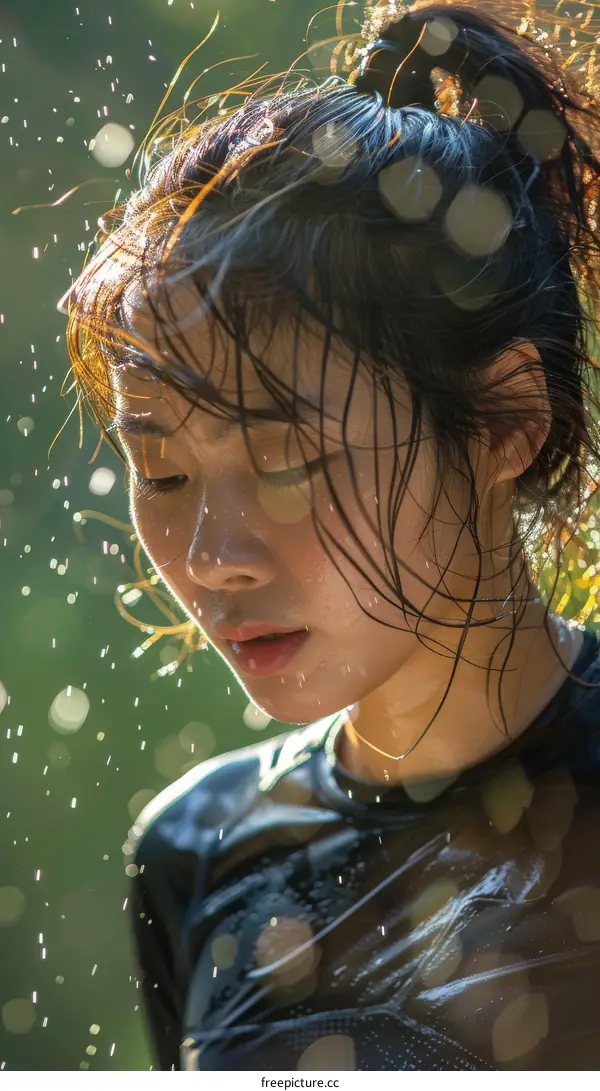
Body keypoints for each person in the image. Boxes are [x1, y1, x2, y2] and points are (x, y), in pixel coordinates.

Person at [64, 0, 600, 1071]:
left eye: (286, 462)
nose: (212, 555)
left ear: (505, 422)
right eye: (160, 468)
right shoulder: (198, 851)